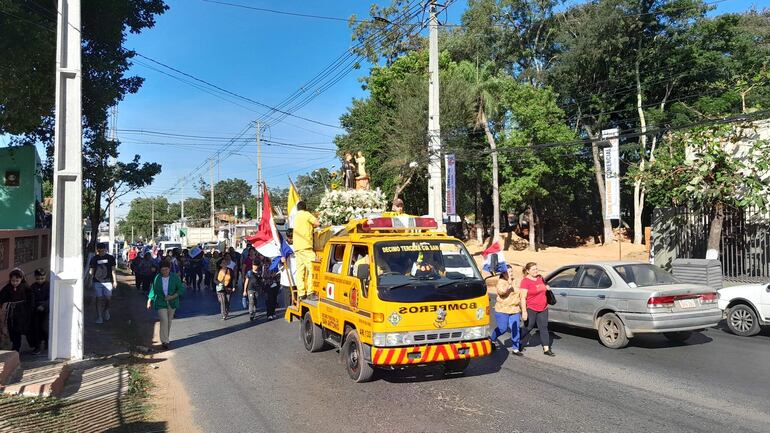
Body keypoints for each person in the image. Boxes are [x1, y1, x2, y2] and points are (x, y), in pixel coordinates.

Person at [146, 260, 185, 350]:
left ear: (169, 269)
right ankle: (165, 341)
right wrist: (149, 300)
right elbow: (153, 289)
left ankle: (165, 338)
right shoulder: (157, 278)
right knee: (164, 320)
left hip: (172, 302)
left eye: (166, 270)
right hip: (160, 302)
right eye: (162, 270)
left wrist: (172, 297)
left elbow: (180, 289)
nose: (164, 272)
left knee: (169, 321)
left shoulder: (175, 277)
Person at [489, 266, 527, 356]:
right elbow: (501, 292)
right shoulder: (500, 282)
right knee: (503, 329)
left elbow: (520, 294)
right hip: (502, 309)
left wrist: (523, 309)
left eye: (511, 271)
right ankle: (492, 339)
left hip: (514, 309)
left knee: (515, 328)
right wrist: (509, 285)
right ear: (503, 273)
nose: (510, 273)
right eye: (508, 271)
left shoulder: (516, 281)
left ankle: (515, 348)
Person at [519, 262, 554, 356]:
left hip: (543, 307)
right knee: (529, 327)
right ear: (527, 271)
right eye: (533, 269)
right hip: (531, 307)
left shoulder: (540, 278)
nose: (536, 271)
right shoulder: (525, 281)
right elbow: (522, 297)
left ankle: (546, 349)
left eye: (536, 269)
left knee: (544, 327)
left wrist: (547, 288)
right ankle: (517, 340)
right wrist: (524, 311)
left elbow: (544, 289)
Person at [0, 268, 33, 352]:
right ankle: (14, 345)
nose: (14, 283)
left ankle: (16, 348)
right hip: (11, 313)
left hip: (22, 312)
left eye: (17, 281)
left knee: (18, 330)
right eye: (13, 281)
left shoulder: (25, 287)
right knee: (12, 329)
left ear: (21, 279)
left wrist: (30, 309)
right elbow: (1, 297)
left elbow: (31, 299)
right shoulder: (7, 288)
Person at [293, 201, 320, 300]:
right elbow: (317, 223)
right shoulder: (306, 214)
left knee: (300, 271)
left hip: (297, 247)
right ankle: (310, 292)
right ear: (305, 208)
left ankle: (301, 293)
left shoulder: (295, 217)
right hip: (306, 246)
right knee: (313, 267)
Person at [90, 242, 117, 324]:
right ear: (97, 251)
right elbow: (92, 270)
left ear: (106, 250)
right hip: (97, 281)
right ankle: (99, 316)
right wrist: (90, 279)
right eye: (99, 251)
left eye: (103, 250)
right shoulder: (94, 258)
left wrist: (115, 281)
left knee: (108, 298)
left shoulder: (111, 258)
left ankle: (106, 310)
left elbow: (113, 270)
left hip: (108, 281)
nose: (101, 252)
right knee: (99, 299)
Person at [28, 268, 50, 355]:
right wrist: (34, 308)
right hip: (36, 310)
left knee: (44, 327)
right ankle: (37, 347)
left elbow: (50, 298)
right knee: (35, 328)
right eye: (38, 279)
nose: (40, 281)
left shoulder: (49, 285)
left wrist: (44, 305)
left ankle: (47, 341)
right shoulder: (33, 286)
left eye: (42, 278)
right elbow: (31, 299)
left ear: (45, 277)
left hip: (46, 310)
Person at [279, 230, 297, 308]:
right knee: (288, 300)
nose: (291, 240)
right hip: (287, 277)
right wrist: (281, 260)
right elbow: (277, 259)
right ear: (287, 237)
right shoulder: (282, 246)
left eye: (293, 237)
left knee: (297, 298)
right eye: (290, 238)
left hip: (297, 276)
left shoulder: (298, 245)